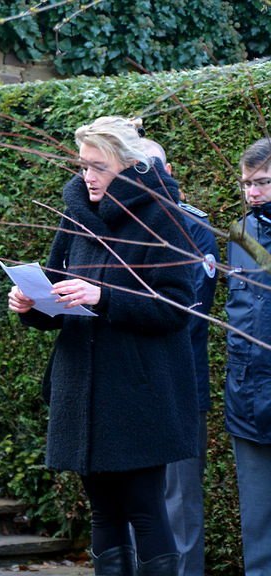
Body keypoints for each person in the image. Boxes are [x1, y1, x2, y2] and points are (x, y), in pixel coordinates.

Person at [7, 116, 197, 576]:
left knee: (144, 506)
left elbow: (177, 306)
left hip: (139, 389)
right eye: (82, 165)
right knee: (103, 511)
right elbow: (56, 287)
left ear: (128, 166)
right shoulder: (76, 213)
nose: (86, 176)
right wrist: (32, 302)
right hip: (82, 387)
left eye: (97, 167)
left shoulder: (163, 216)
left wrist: (104, 296)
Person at [139, 137, 217, 576]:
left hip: (178, 384)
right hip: (128, 382)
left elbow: (187, 313)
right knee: (132, 498)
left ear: (166, 173)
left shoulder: (193, 229)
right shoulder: (115, 226)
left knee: (179, 502)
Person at [225, 137, 271, 576]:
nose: (252, 192)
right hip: (248, 402)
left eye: (263, 183)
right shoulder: (240, 234)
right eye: (246, 184)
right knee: (257, 529)